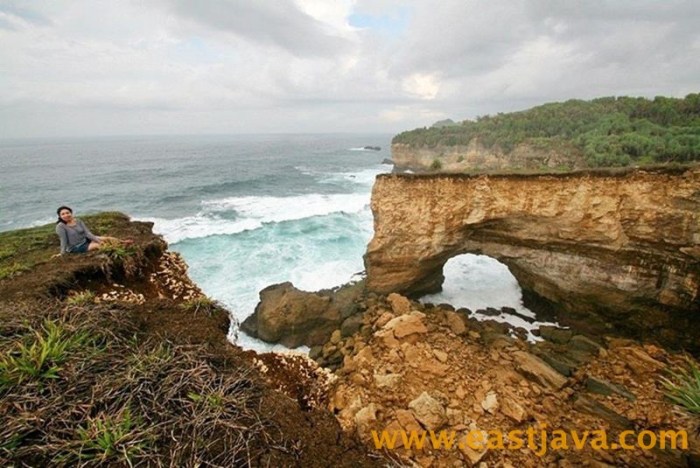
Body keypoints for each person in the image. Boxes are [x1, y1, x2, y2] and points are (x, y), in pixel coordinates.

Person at [54, 206, 125, 256]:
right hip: (75, 247)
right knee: (99, 245)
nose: (66, 215)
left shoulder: (78, 221)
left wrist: (97, 239)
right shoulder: (60, 226)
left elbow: (87, 233)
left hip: (85, 240)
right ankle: (119, 250)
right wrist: (62, 253)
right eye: (63, 214)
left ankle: (123, 242)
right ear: (60, 216)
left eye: (67, 213)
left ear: (71, 213)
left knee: (107, 238)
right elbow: (63, 240)